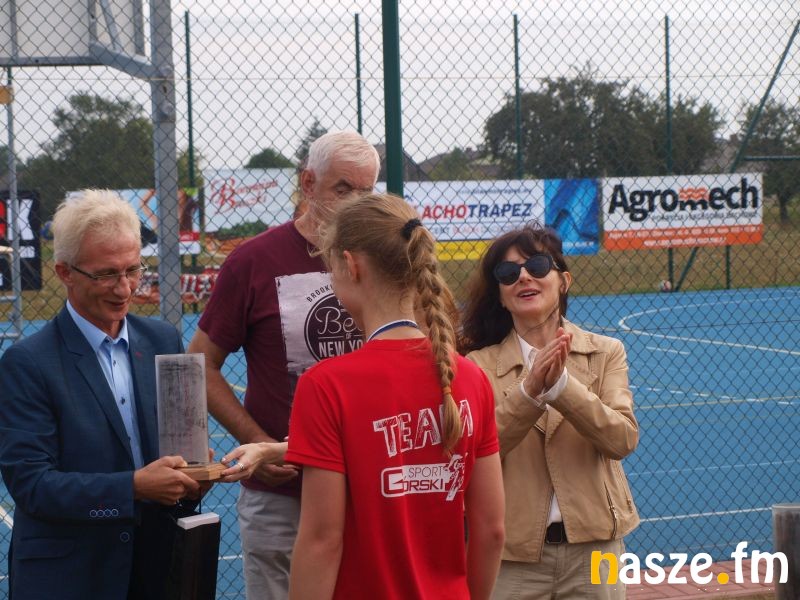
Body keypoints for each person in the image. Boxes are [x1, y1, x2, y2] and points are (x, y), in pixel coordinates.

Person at [280, 192, 504, 599]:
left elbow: (322, 540)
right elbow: (491, 530)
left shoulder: (327, 385)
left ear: (351, 265)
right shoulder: (471, 378)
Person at [186, 130, 381, 599]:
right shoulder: (254, 261)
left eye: (367, 191)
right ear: (308, 183)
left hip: (372, 491)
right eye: (343, 189)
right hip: (283, 497)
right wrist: (259, 444)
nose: (356, 204)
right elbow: (199, 364)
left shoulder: (384, 260)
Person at [0, 189, 205, 600]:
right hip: (71, 577)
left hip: (156, 567)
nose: (124, 288)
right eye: (106, 274)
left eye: (133, 270)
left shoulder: (162, 339)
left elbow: (175, 454)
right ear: (65, 272)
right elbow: (33, 485)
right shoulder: (28, 363)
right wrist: (133, 487)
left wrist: (196, 473)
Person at [460, 222, 639, 600]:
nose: (524, 277)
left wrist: (562, 388)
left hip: (596, 549)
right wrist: (529, 393)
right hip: (511, 555)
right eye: (508, 273)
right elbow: (473, 452)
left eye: (537, 265)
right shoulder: (475, 366)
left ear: (564, 282)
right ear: (501, 296)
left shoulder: (606, 352)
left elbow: (621, 439)